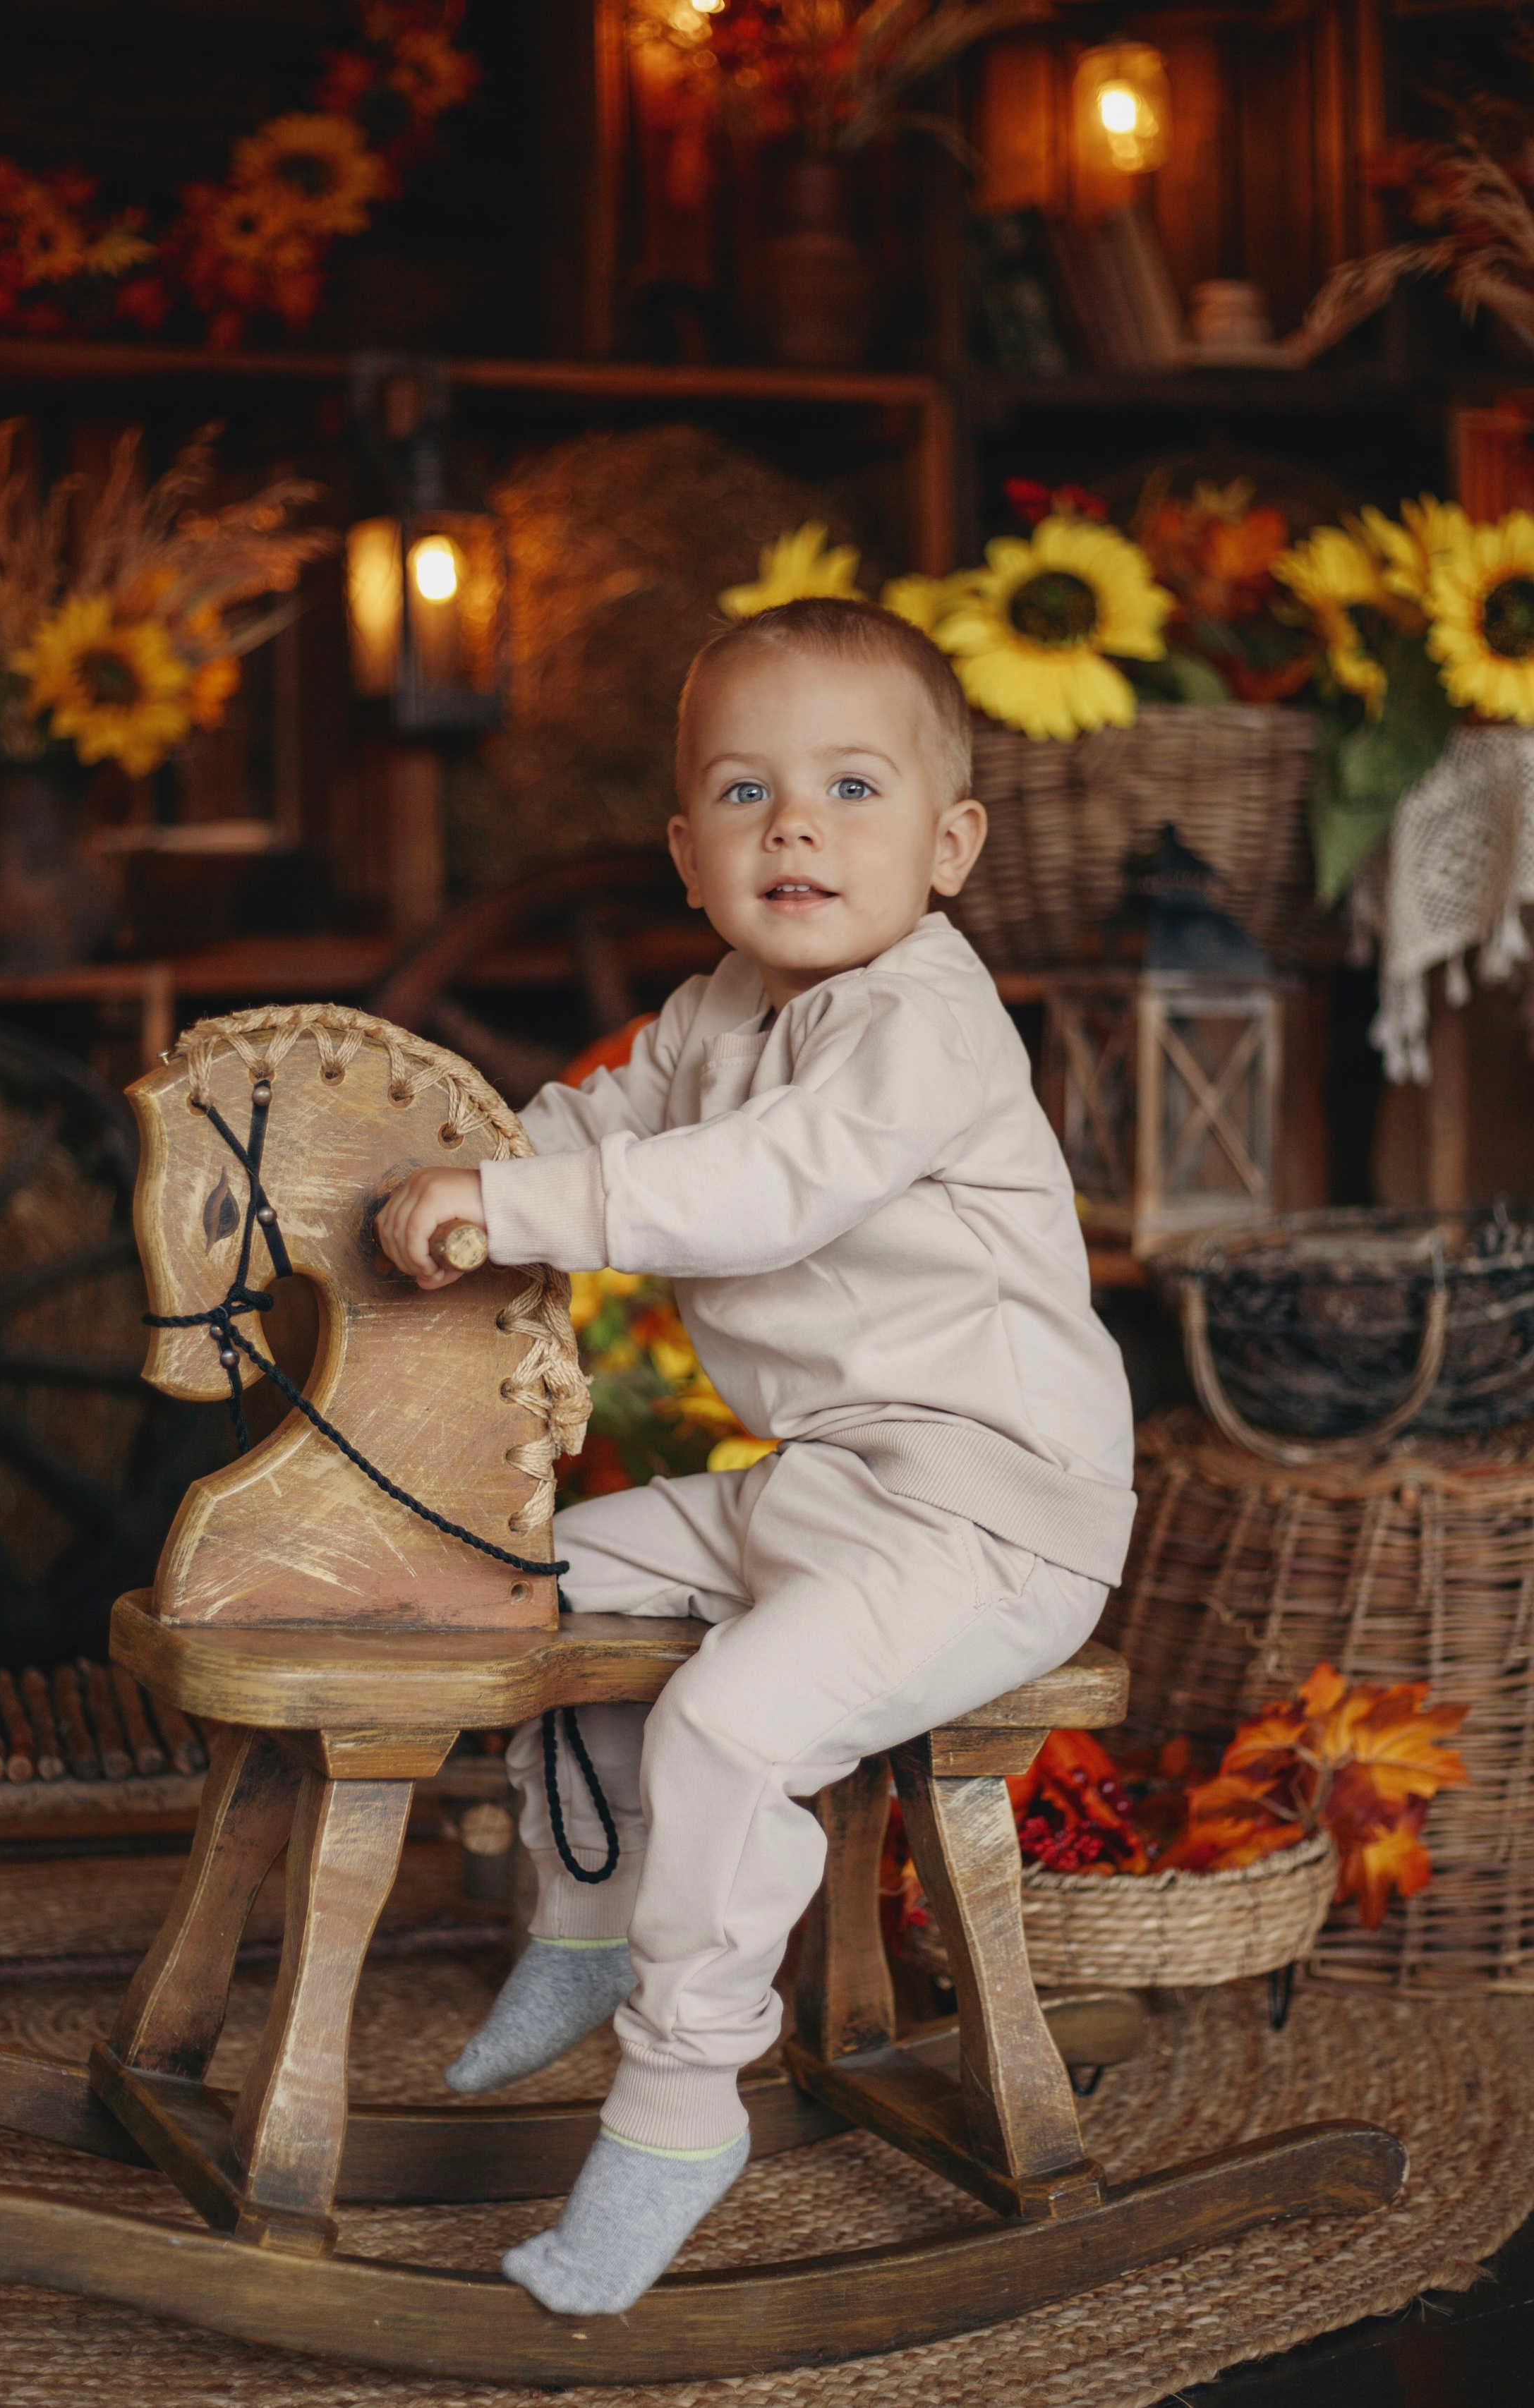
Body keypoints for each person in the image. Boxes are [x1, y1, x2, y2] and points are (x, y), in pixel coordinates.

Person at [375, 595, 1136, 2316]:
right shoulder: (712, 1012)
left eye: (851, 787)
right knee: (538, 1583)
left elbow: (752, 1188)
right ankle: (585, 1921)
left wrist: (511, 1213)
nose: (793, 824)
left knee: (724, 1722)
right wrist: (449, 1177)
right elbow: (581, 1126)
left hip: (988, 1519)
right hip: (826, 1488)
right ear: (684, 851)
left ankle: (676, 2099)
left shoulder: (922, 1026)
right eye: (742, 793)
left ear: (948, 849)